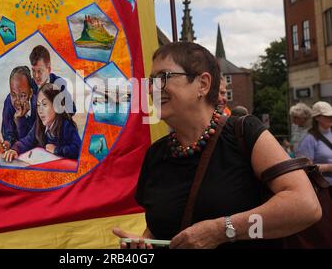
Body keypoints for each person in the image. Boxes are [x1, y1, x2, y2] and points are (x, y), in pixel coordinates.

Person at [113, 42, 321, 249]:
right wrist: (145, 245)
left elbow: (305, 205)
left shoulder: (244, 132)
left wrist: (222, 230)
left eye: (163, 77)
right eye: (150, 81)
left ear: (202, 84)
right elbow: (158, 228)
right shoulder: (156, 155)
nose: (151, 89)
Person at [0, 45, 75, 148]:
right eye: (33, 71)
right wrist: (8, 141)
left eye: (39, 71)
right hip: (31, 139)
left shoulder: (59, 84)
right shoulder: (29, 87)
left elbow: (72, 110)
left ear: (48, 69)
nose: (36, 76)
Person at [2, 83, 82, 161]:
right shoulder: (39, 125)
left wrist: (57, 150)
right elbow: (27, 141)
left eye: (44, 104)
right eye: (38, 105)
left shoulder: (66, 126)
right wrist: (15, 149)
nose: (40, 110)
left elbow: (78, 149)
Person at [0, 66, 34, 151]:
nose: (17, 101)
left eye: (22, 95)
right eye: (13, 95)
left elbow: (29, 139)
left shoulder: (38, 105)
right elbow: (8, 131)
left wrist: (19, 119)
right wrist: (7, 143)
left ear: (31, 93)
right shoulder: (9, 102)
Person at [296, 101, 332, 184]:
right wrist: (328, 167)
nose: (331, 117)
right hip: (325, 189)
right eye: (327, 115)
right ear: (317, 118)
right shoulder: (309, 139)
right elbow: (305, 168)